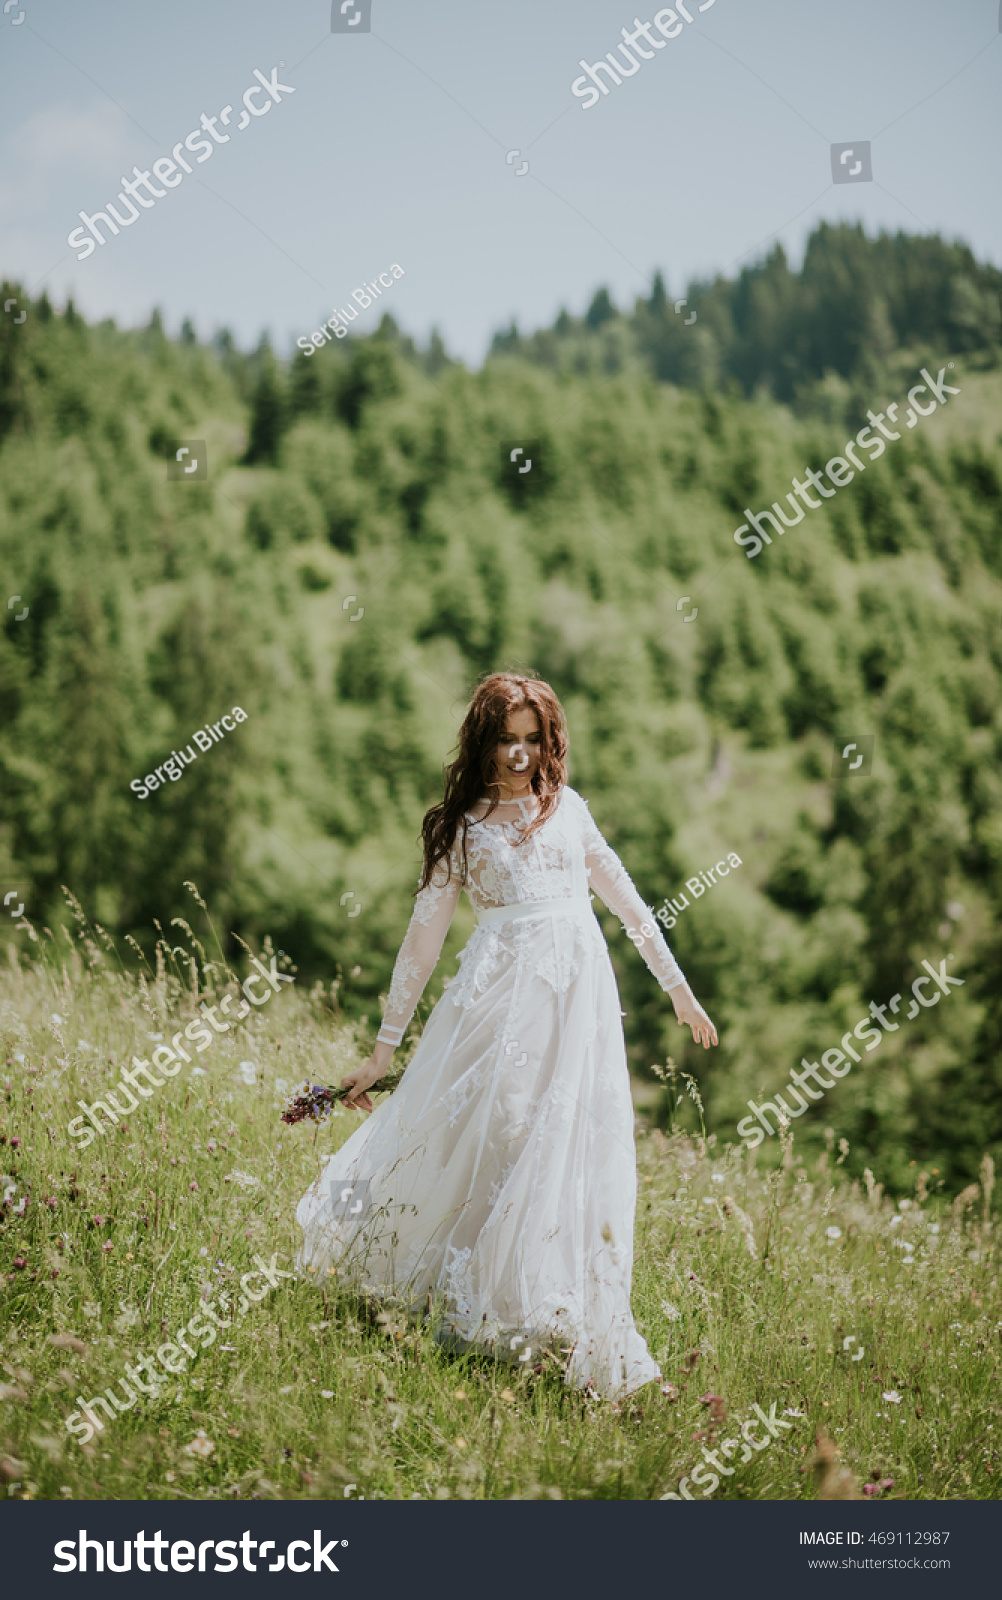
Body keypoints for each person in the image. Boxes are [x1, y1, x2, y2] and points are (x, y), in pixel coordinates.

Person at [296, 671, 717, 1396]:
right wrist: (383, 1048)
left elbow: (628, 901)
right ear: (482, 740)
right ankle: (470, 1300)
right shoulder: (461, 830)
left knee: (568, 1146)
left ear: (547, 741)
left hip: (577, 1004)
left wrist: (676, 987)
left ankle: (546, 1309)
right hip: (497, 1003)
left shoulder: (570, 812)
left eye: (532, 740)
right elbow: (421, 943)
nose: (519, 755)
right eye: (505, 740)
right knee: (504, 1133)